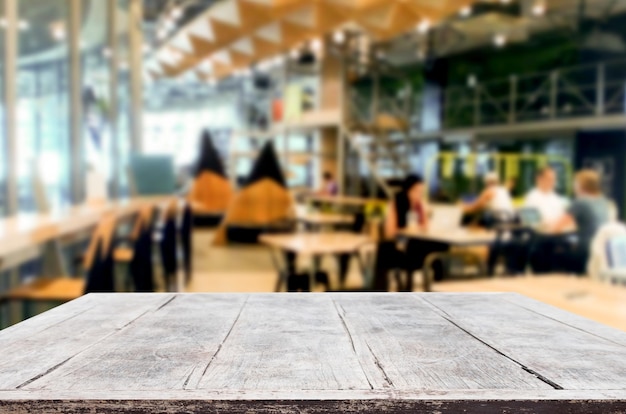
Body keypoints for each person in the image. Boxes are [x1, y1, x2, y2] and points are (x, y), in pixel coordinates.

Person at [373, 175, 446, 291]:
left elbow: (426, 226)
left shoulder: (420, 206)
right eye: (416, 191)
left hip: (416, 245)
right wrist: (407, 230)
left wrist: (424, 216)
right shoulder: (396, 203)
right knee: (386, 249)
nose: (419, 194)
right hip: (400, 246)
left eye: (421, 191)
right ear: (407, 190)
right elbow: (390, 232)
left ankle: (440, 288)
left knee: (441, 247)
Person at [550, 169, 611, 274]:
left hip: (584, 250)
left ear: (580, 185)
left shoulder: (580, 201)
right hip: (601, 250)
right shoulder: (604, 201)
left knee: (550, 249)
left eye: (575, 182)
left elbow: (556, 229)